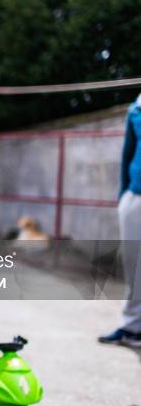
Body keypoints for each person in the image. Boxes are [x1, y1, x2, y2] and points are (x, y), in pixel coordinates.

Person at [99, 95, 141, 347]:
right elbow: (128, 154)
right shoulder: (136, 107)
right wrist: (123, 197)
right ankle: (133, 327)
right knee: (135, 267)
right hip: (135, 196)